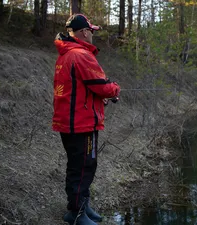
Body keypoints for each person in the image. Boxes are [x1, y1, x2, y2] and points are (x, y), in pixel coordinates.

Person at [52, 14, 120, 225]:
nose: (92, 34)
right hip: (81, 124)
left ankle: (82, 206)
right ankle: (77, 213)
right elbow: (101, 85)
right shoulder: (81, 55)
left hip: (71, 121)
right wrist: (114, 89)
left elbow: (79, 89)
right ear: (83, 32)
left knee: (78, 166)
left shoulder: (66, 54)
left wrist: (99, 99)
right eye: (91, 30)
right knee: (83, 167)